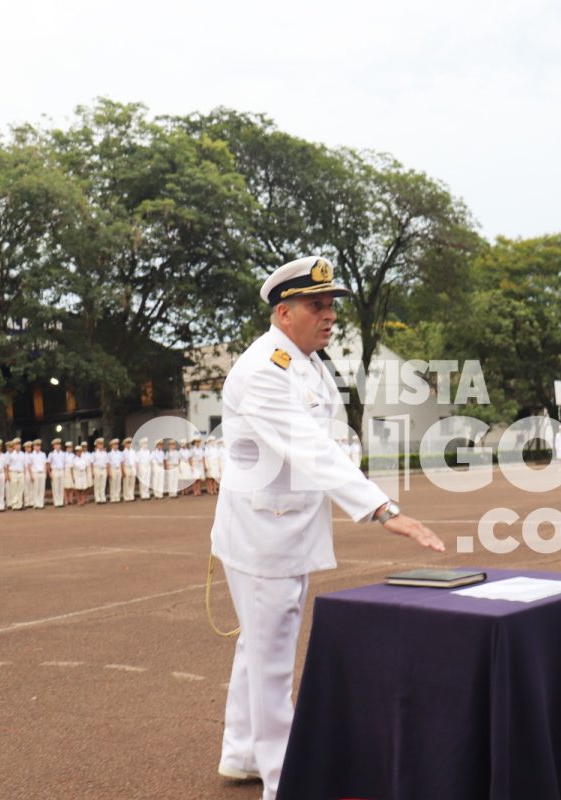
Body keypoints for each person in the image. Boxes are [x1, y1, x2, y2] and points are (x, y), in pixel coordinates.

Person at [211, 256, 444, 800]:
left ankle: (242, 753)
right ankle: (284, 781)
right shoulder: (263, 369)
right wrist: (383, 509)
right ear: (283, 312)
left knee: (257, 648)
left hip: (280, 526)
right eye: (317, 305)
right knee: (271, 661)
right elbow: (310, 447)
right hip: (265, 535)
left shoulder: (305, 361)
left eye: (331, 305)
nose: (330, 315)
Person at [108, 437, 123, 503]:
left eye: (117, 444)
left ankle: (117, 497)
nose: (116, 446)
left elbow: (121, 463)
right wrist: (109, 472)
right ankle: (113, 497)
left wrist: (122, 471)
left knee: (118, 483)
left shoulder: (120, 453)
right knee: (113, 484)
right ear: (111, 446)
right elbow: (108, 464)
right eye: (114, 444)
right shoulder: (109, 454)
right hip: (113, 469)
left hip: (118, 469)